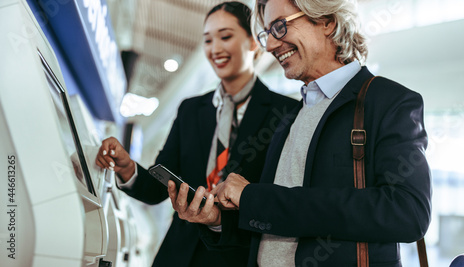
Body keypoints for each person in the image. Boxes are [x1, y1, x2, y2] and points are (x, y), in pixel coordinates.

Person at [168, 0, 432, 266]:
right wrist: (216, 221)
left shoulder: (389, 102)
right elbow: (274, 223)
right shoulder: (291, 116)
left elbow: (407, 212)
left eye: (280, 27)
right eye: (267, 33)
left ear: (327, 21)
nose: (270, 45)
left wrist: (254, 198)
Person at [95, 1, 298, 266]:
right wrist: (127, 169)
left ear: (253, 43)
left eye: (225, 36)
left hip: (237, 256)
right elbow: (159, 187)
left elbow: (281, 202)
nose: (215, 49)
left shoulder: (286, 113)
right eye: (207, 40)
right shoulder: (191, 110)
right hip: (178, 254)